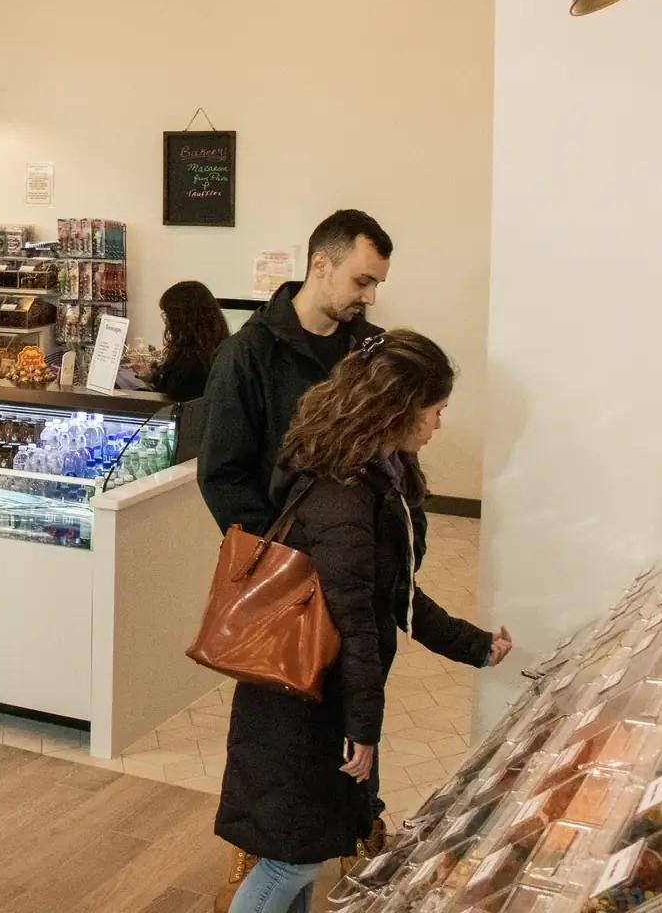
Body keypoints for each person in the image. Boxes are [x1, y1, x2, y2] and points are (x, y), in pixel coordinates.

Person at [217, 331, 513, 913]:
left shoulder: (370, 479)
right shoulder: (346, 496)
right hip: (303, 704)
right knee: (290, 860)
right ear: (401, 409)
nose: (439, 424)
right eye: (436, 410)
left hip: (312, 693)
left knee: (302, 850)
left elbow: (393, 596)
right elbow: (356, 622)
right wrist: (364, 729)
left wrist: (475, 646)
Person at [200, 209, 393, 537]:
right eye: (362, 281)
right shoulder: (247, 354)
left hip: (362, 549)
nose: (370, 297)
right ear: (321, 265)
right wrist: (283, 543)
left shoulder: (372, 350)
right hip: (288, 551)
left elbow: (396, 456)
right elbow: (222, 475)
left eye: (376, 284)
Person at [155, 280, 229, 402]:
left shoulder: (189, 366)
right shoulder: (221, 348)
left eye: (167, 315)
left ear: (180, 319)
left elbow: (173, 398)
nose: (166, 321)